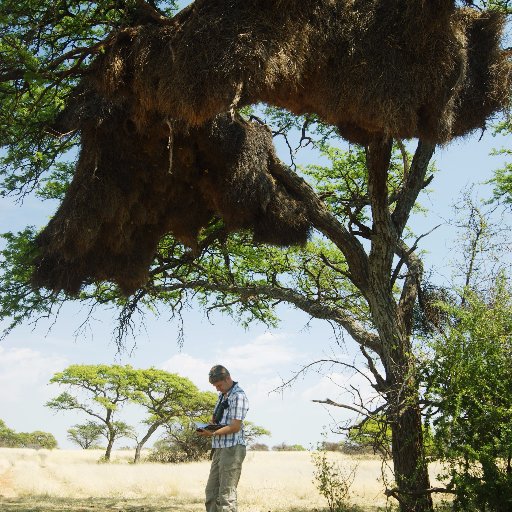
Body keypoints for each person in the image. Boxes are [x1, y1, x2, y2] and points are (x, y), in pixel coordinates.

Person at [198, 365, 249, 512]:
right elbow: (220, 421)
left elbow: (235, 426)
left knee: (226, 495)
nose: (217, 389)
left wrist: (212, 433)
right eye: (215, 386)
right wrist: (210, 425)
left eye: (219, 385)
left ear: (228, 379)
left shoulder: (238, 396)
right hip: (220, 447)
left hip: (232, 448)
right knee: (211, 493)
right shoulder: (222, 396)